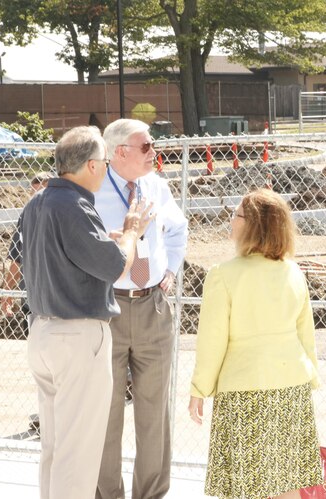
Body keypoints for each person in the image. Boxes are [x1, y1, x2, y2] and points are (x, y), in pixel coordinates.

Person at [20, 126, 154, 499]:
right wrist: (130, 233)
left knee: (55, 447)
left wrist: (108, 240)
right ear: (93, 166)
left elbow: (60, 255)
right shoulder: (76, 205)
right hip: (77, 337)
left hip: (44, 332)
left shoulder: (39, 201)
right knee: (77, 456)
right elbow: (116, 267)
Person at [189, 188, 323, 499]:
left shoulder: (223, 275)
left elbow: (212, 342)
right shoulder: (294, 272)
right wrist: (311, 374)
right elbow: (305, 333)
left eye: (236, 215)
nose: (230, 221)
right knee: (287, 483)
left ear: (253, 225)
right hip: (291, 388)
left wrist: (199, 389)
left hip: (245, 391)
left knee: (246, 486)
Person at [96, 119, 188, 499]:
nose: (155, 152)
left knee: (155, 414)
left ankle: (150, 495)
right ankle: (107, 494)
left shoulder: (157, 187)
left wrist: (169, 270)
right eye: (147, 146)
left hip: (153, 306)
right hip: (106, 307)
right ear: (120, 152)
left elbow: (179, 229)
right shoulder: (92, 189)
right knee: (105, 412)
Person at [1, 171, 53, 319]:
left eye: (42, 193)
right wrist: (7, 291)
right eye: (34, 194)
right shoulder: (27, 216)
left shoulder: (65, 215)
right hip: (32, 300)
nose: (37, 199)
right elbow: (17, 258)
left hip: (59, 300)